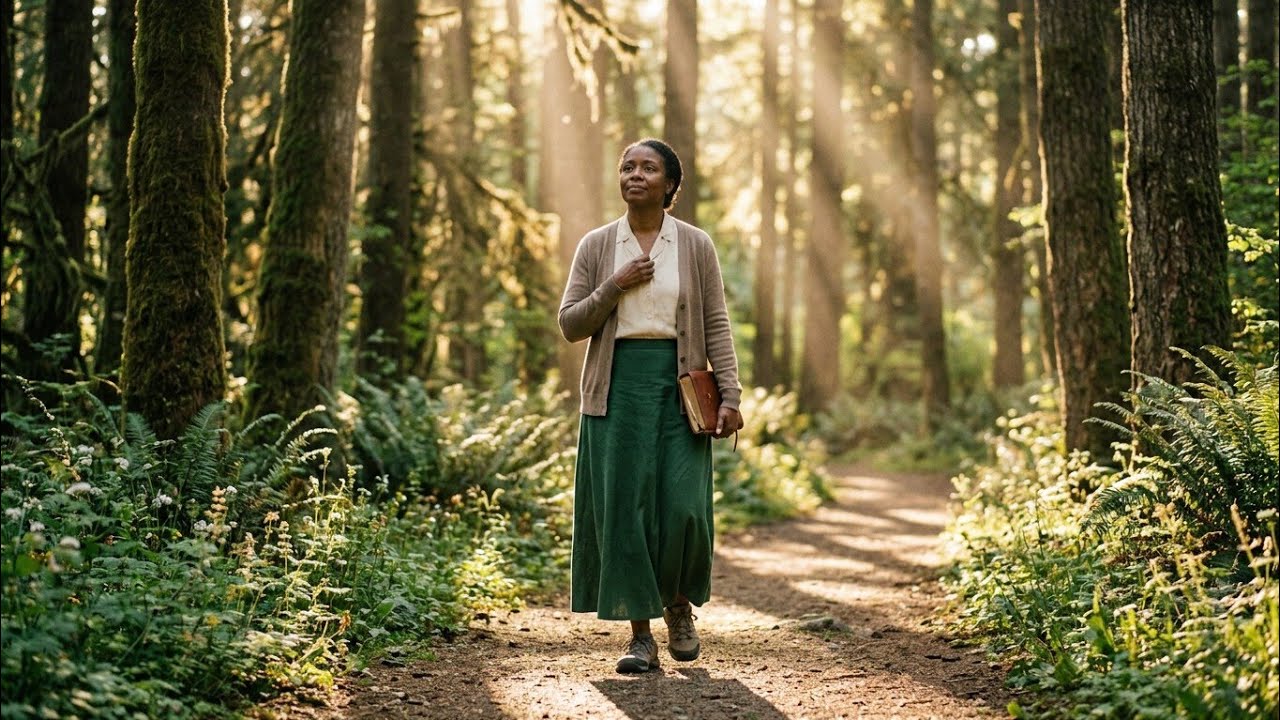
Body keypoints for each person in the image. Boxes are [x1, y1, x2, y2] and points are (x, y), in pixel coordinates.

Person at [557, 138, 744, 674]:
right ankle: (640, 636)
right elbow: (570, 324)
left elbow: (716, 322)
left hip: (681, 390)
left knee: (683, 508)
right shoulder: (597, 246)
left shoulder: (694, 245)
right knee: (627, 508)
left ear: (670, 185)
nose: (635, 174)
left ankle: (678, 605)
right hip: (615, 392)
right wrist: (614, 286)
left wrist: (729, 393)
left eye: (649, 167)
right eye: (627, 166)